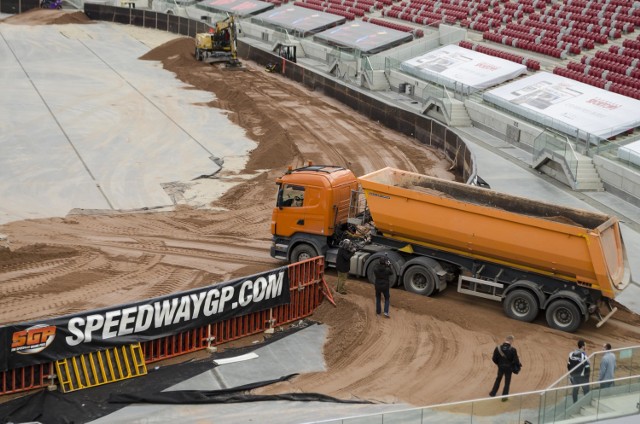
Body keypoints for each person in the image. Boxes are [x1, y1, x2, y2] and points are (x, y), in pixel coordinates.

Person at [489, 335, 521, 401]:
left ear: (506, 339)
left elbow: (494, 358)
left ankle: (493, 393)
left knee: (498, 379)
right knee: (507, 382)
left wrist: (499, 364)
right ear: (511, 340)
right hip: (509, 368)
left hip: (500, 367)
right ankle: (504, 397)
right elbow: (515, 360)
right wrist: (517, 366)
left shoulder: (498, 348)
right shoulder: (513, 350)